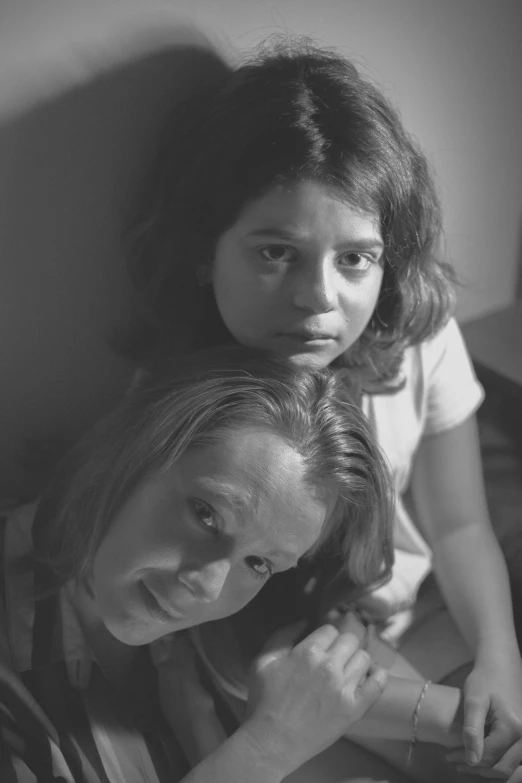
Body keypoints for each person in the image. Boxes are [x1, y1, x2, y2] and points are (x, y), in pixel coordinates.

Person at [123, 38, 522, 781]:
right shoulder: (188, 397)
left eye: (354, 259)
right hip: (283, 649)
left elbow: (462, 521)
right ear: (204, 252)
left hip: (407, 613)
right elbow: (222, 621)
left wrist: (501, 657)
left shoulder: (420, 342)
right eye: (276, 253)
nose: (318, 299)